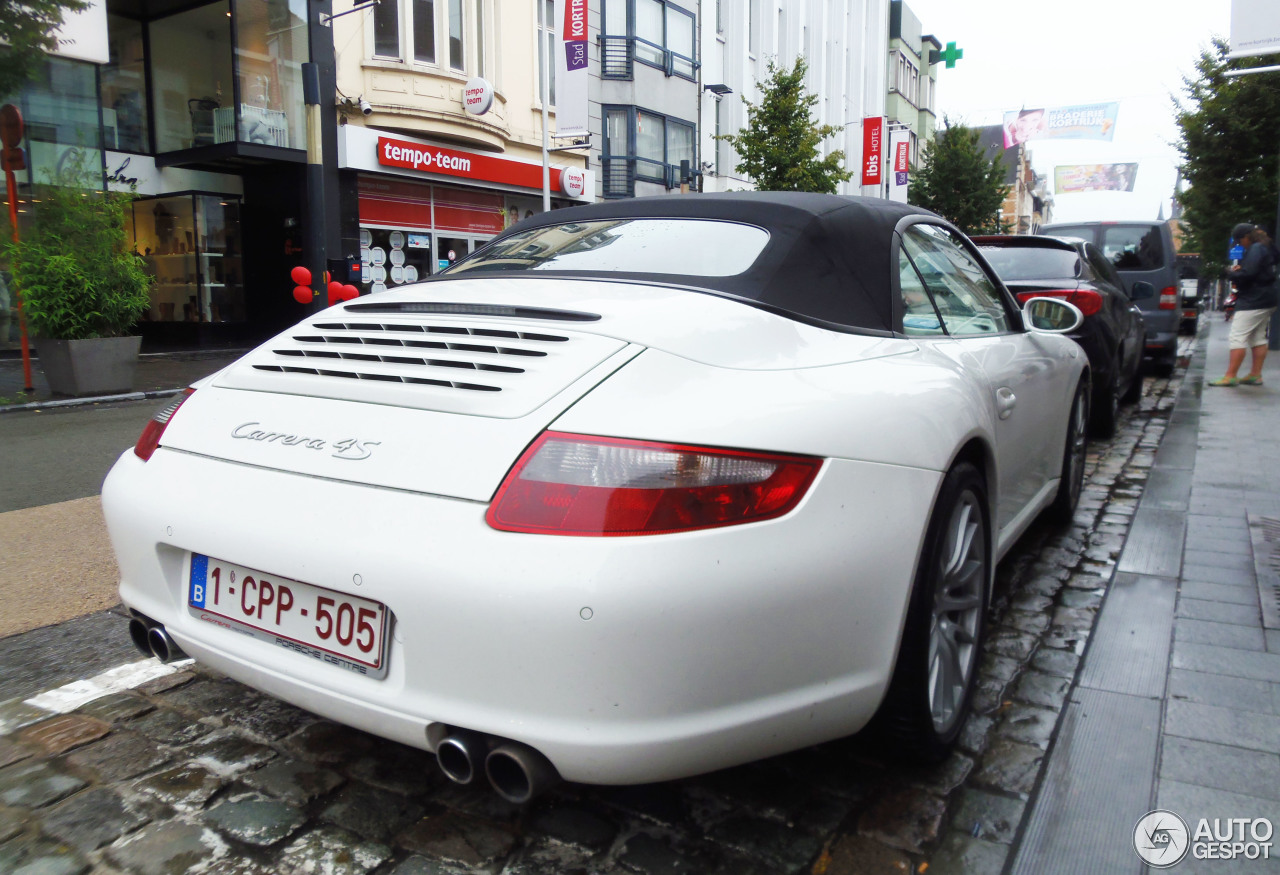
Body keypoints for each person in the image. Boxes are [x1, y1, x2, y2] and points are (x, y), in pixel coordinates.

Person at [1209, 223, 1280, 386]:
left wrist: (1232, 273)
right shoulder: (1266, 247)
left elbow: (1250, 273)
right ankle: (1255, 375)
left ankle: (1230, 376)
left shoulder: (1255, 248)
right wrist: (1242, 270)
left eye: (1240, 241)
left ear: (1245, 237)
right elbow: (1259, 270)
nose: (1241, 245)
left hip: (1253, 299)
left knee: (1237, 337)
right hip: (1267, 297)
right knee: (1257, 337)